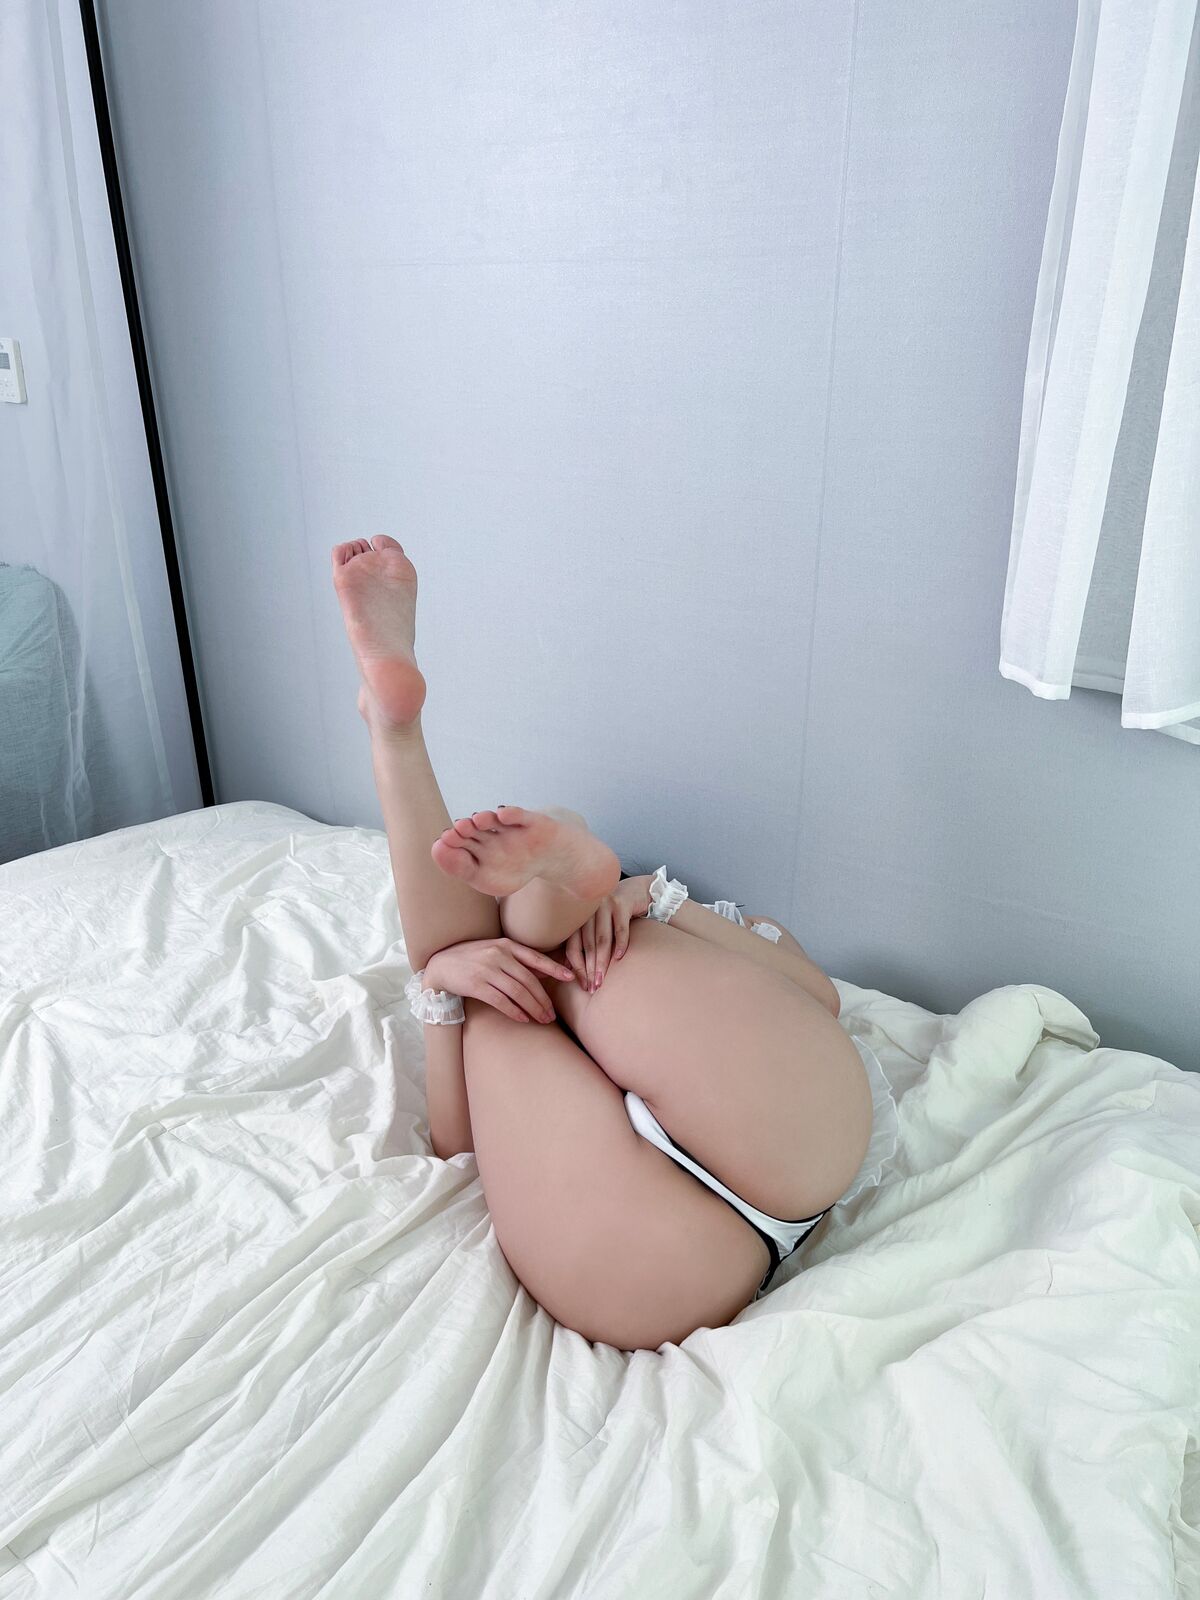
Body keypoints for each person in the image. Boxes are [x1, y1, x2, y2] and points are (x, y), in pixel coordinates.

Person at [332, 535, 879, 1352]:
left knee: (500, 989)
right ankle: (539, 862)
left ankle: (397, 736)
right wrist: (656, 900)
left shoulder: (586, 959)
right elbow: (818, 997)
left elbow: (458, 1144)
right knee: (521, 963)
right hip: (793, 1128)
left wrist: (444, 991)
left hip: (651, 1264)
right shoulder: (687, 938)